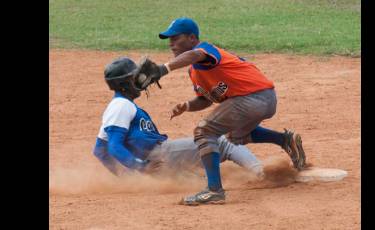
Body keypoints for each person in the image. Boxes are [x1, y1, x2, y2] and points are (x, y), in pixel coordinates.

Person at [136, 17, 307, 205]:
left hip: (252, 98)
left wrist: (163, 68)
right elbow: (206, 99)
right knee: (234, 136)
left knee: (204, 131)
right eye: (169, 40)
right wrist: (187, 105)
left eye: (176, 38)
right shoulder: (194, 71)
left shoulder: (206, 50)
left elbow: (195, 55)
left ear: (192, 38)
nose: (171, 44)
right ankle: (285, 140)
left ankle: (214, 190)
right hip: (264, 99)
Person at [93, 57, 266, 186]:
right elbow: (113, 146)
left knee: (198, 182)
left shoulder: (118, 106)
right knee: (223, 142)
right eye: (134, 77)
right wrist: (140, 167)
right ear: (125, 84)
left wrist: (128, 178)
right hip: (161, 155)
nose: (140, 78)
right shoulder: (121, 106)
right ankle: (262, 173)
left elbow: (99, 150)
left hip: (157, 165)